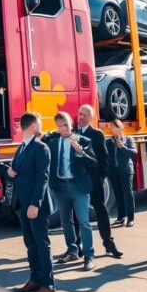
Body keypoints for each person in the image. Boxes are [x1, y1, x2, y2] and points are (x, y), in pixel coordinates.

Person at [6, 112, 56, 292]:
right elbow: (19, 172)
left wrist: (36, 203)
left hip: (36, 206)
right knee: (31, 244)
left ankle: (48, 286)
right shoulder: (21, 148)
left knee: (42, 245)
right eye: (40, 123)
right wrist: (11, 172)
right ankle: (35, 279)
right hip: (22, 204)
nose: (42, 125)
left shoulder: (41, 148)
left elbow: (43, 178)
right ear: (34, 126)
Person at [44, 111, 99, 271]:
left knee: (83, 221)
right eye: (60, 126)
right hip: (60, 187)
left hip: (78, 187)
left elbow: (93, 163)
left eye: (66, 124)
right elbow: (44, 137)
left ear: (71, 124)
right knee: (66, 221)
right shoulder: (53, 142)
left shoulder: (83, 140)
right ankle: (72, 250)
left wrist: (80, 151)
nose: (63, 128)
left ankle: (89, 255)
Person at [74, 105, 123, 258]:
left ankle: (108, 243)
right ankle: (78, 244)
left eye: (84, 115)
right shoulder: (72, 133)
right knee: (76, 214)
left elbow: (104, 159)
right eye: (79, 114)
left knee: (101, 210)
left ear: (90, 117)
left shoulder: (96, 134)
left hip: (94, 180)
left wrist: (100, 178)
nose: (80, 117)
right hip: (77, 181)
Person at [107, 119, 138, 227]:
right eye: (111, 127)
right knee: (118, 194)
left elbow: (133, 153)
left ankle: (131, 218)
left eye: (114, 127)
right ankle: (121, 217)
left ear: (120, 128)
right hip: (113, 172)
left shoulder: (128, 139)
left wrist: (122, 147)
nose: (112, 130)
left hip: (126, 171)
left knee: (128, 194)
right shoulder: (110, 141)